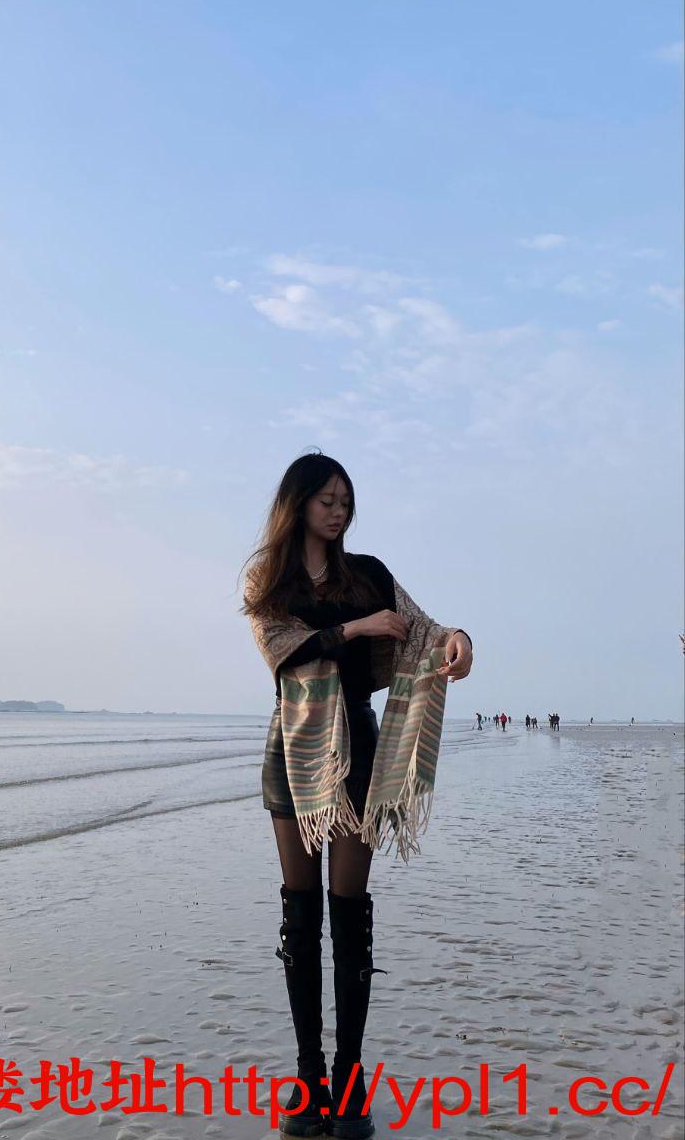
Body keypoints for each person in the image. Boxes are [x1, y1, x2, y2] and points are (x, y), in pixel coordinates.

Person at [240, 452, 473, 1138]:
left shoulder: (367, 574)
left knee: (349, 914)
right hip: (294, 749)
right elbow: (281, 648)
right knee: (299, 915)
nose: (338, 512)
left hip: (357, 752)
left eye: (346, 502)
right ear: (298, 505)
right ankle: (307, 1076)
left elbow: (425, 630)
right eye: (327, 501)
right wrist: (358, 629)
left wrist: (460, 639)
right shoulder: (267, 578)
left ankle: (349, 1078)